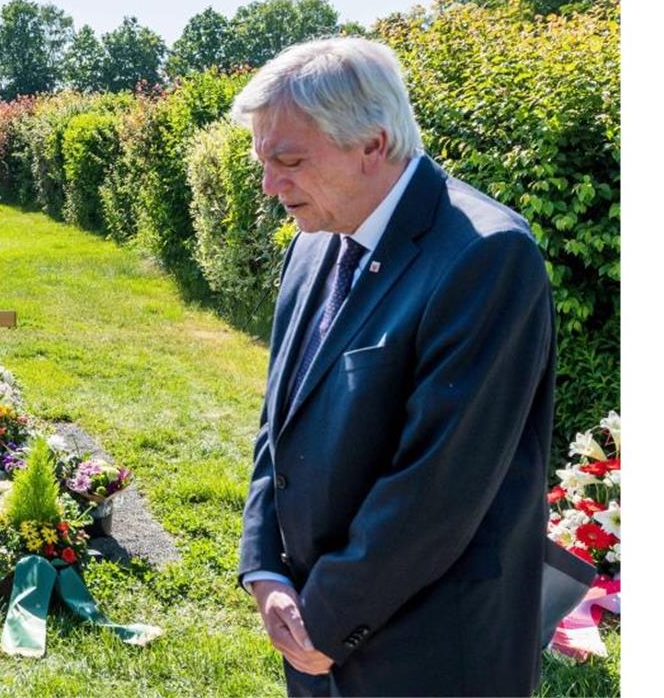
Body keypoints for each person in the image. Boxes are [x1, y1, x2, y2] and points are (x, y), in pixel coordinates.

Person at [234, 38, 556, 697]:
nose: (270, 186)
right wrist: (264, 569)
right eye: (263, 161)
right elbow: (279, 421)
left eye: (289, 160)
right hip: (312, 633)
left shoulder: (485, 255)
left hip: (432, 649)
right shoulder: (314, 240)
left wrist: (323, 621)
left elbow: (439, 484)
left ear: (373, 145)